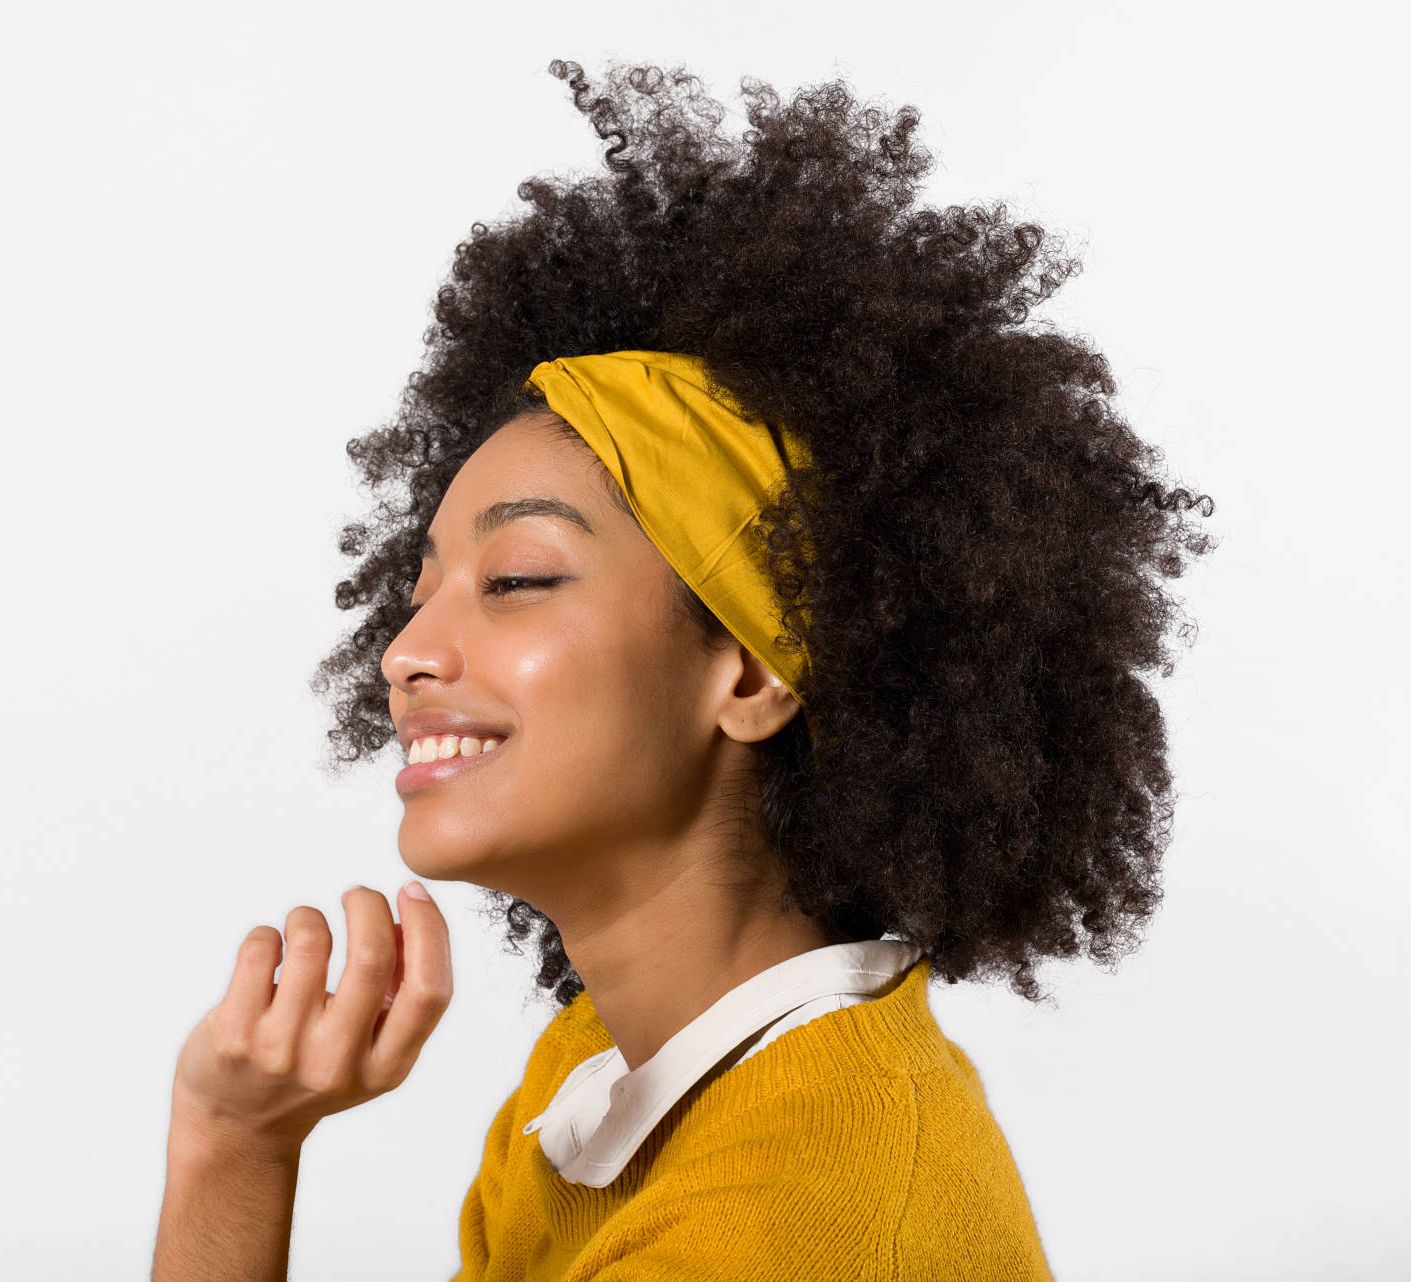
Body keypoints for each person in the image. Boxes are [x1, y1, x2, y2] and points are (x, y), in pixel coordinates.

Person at [153, 60, 1215, 1281]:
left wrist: (229, 1151)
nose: (407, 653)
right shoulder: (609, 1069)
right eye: (420, 591)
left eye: (516, 581)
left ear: (753, 673)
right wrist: (235, 1131)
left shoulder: (794, 1216)